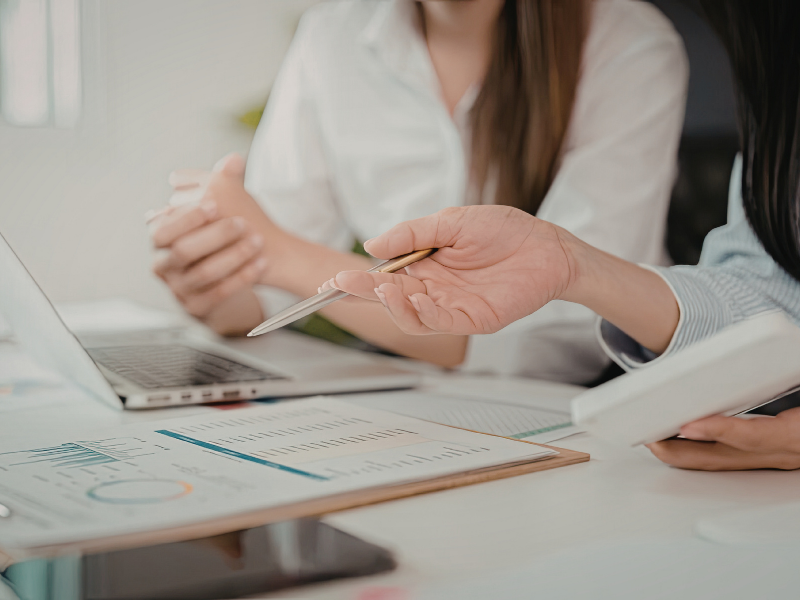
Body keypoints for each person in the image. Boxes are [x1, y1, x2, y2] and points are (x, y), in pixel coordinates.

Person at [324, 0, 800, 471]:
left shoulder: (627, 38)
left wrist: (281, 257)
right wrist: (571, 265)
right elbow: (772, 297)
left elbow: (532, 347)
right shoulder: (778, 67)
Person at [150, 0, 688, 385]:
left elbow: (557, 341)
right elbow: (258, 298)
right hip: (403, 388)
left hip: (581, 400)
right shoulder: (333, 34)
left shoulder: (628, 42)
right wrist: (211, 273)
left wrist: (275, 253)